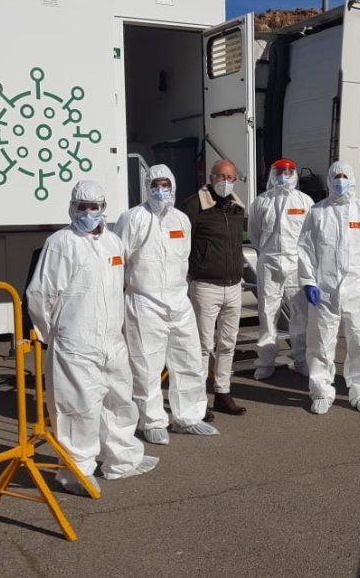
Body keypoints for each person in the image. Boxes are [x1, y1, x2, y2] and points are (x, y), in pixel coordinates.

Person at [25, 180, 158, 495]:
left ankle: (122, 459)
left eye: (93, 207)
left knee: (119, 402)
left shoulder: (113, 242)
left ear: (103, 209)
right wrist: (53, 334)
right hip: (75, 342)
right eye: (82, 207)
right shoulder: (61, 243)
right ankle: (76, 474)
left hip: (112, 341)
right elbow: (40, 295)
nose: (88, 213)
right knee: (77, 411)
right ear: (72, 208)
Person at [114, 165, 219, 444]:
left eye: (165, 185)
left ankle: (189, 417)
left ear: (173, 186)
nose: (161, 191)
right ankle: (152, 421)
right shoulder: (132, 218)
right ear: (147, 187)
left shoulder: (181, 220)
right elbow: (118, 261)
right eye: (155, 186)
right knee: (146, 364)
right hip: (144, 302)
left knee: (189, 360)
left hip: (178, 301)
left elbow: (183, 258)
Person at [297, 161, 360, 415]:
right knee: (321, 343)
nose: (340, 181)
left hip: (359, 290)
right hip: (325, 291)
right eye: (336, 176)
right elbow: (305, 249)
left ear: (353, 179)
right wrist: (308, 281)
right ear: (328, 180)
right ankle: (322, 391)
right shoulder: (317, 212)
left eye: (344, 176)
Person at [180, 159, 248, 416]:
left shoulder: (236, 207)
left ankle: (222, 393)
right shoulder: (193, 205)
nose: (226, 182)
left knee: (228, 343)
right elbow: (183, 245)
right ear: (211, 178)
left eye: (230, 178)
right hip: (205, 285)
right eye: (221, 177)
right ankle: (197, 399)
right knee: (202, 345)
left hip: (232, 285)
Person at [250, 158, 314, 381]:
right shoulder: (261, 202)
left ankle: (301, 359)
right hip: (269, 261)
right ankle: (266, 361)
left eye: (288, 173)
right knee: (268, 311)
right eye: (279, 172)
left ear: (295, 175)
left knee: (300, 313)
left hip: (296, 261)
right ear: (272, 174)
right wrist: (267, 253)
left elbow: (309, 235)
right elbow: (255, 233)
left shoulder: (305, 202)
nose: (283, 177)